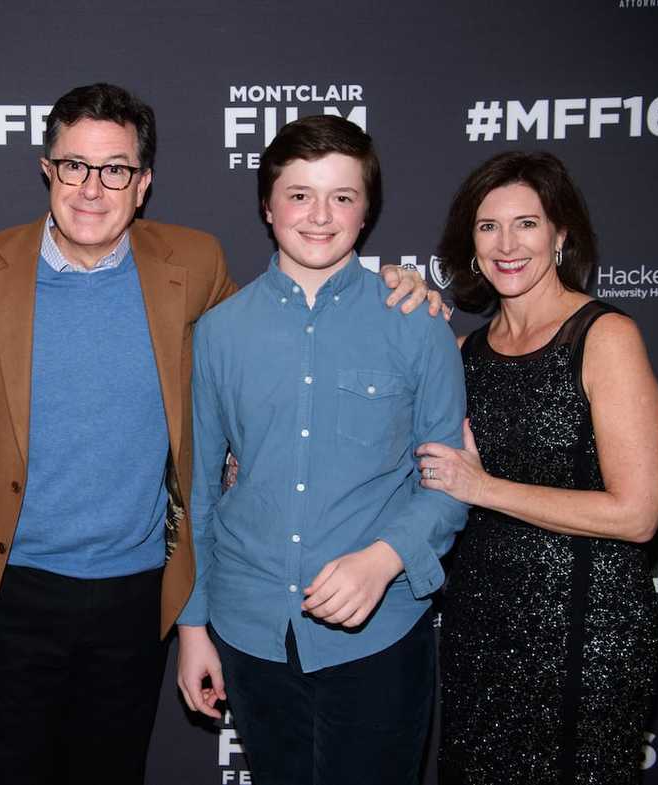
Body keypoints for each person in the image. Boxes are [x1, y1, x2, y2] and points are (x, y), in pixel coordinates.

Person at [0, 84, 440, 784]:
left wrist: (394, 290)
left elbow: (282, 322)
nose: (92, 188)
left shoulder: (193, 265)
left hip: (133, 594)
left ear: (144, 181)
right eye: (74, 165)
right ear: (47, 169)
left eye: (116, 169)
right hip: (8, 589)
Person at [176, 114, 468, 785]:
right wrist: (193, 627)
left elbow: (451, 480)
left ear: (366, 212)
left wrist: (384, 557)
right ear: (267, 204)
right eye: (299, 193)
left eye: (342, 196)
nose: (319, 215)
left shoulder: (416, 323)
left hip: (381, 633)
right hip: (250, 630)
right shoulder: (219, 332)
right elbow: (194, 490)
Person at [415, 151, 658, 785]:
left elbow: (637, 514)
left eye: (526, 224)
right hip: (479, 628)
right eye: (488, 226)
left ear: (560, 235)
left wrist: (484, 488)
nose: (507, 244)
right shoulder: (465, 353)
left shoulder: (604, 336)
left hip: (584, 631)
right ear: (469, 244)